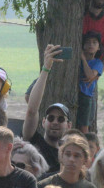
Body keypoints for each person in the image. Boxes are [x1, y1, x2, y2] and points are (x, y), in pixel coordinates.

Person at [22, 44, 69, 175]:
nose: (55, 122)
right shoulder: (34, 142)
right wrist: (46, 68)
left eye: (61, 119)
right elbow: (32, 110)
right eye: (50, 118)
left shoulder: (68, 156)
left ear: (69, 125)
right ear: (43, 122)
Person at [77, 31, 103, 133]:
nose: (91, 45)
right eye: (88, 42)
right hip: (77, 94)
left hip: (86, 96)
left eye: (94, 43)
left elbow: (90, 75)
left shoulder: (97, 63)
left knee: (83, 128)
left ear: (99, 47)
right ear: (83, 45)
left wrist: (83, 60)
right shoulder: (75, 60)